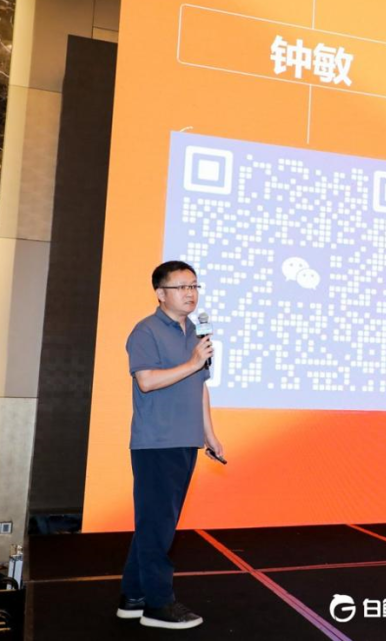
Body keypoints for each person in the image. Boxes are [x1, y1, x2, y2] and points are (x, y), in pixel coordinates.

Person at [116, 260, 223, 630]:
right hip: (156, 442)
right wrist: (193, 362)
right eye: (181, 287)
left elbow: (200, 387)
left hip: (186, 439)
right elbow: (146, 381)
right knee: (158, 526)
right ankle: (158, 605)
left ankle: (133, 597)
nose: (190, 293)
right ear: (161, 293)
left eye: (194, 286)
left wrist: (209, 435)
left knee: (156, 523)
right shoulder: (145, 331)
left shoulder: (195, 332)